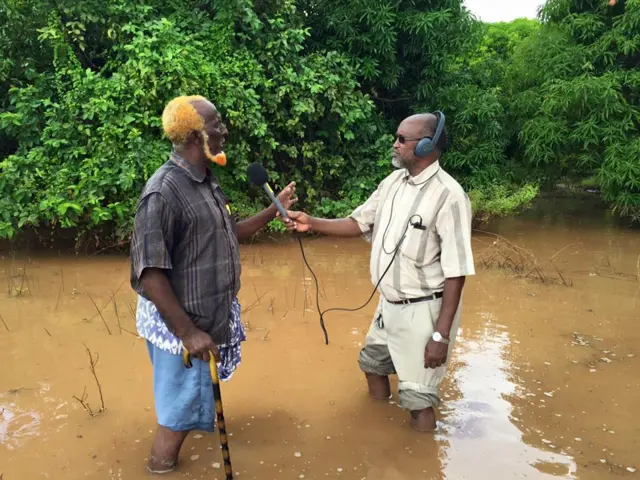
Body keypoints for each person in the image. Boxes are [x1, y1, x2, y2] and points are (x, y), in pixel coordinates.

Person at [129, 95, 297, 474]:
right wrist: (188, 333)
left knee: (190, 404)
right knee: (177, 417)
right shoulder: (162, 192)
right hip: (180, 325)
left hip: (204, 318)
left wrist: (274, 210)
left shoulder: (205, 180)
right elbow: (149, 273)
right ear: (194, 136)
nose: (224, 130)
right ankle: (161, 468)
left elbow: (228, 232)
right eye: (217, 123)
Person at [284, 112, 475, 432]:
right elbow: (359, 223)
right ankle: (377, 434)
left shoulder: (450, 196)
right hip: (389, 306)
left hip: (424, 310)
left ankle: (420, 460)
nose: (395, 144)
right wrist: (311, 223)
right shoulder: (392, 183)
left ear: (427, 146)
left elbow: (456, 273)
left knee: (419, 401)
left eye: (403, 139)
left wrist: (439, 336)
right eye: (396, 137)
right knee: (372, 366)